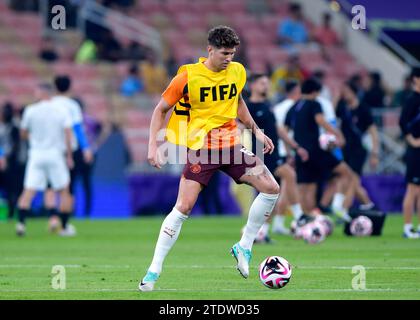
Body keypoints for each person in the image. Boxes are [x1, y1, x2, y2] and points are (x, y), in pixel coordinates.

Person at [139, 26, 280, 292]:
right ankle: (153, 271)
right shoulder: (187, 77)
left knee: (272, 189)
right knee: (183, 207)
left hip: (231, 146)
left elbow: (237, 102)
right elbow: (161, 110)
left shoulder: (238, 72)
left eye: (233, 53)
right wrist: (153, 146)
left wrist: (256, 132)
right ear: (210, 50)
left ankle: (244, 246)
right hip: (201, 149)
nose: (229, 58)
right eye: (224, 53)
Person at [246, 74, 311, 240]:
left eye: (267, 83)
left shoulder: (267, 105)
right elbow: (239, 127)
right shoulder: (248, 107)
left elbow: (278, 129)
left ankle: (262, 233)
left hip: (273, 152)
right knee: (289, 174)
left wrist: (294, 148)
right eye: (262, 83)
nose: (266, 86)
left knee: (270, 194)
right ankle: (299, 215)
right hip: (261, 153)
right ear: (252, 85)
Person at [284, 78, 352, 221]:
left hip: (300, 152)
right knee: (345, 172)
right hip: (315, 150)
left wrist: (289, 152)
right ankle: (337, 205)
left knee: (306, 187)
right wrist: (338, 134)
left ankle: (307, 220)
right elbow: (320, 120)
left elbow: (285, 130)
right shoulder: (315, 104)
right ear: (315, 92)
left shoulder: (294, 107)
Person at [15, 83, 73, 236]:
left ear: (42, 92)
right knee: (63, 190)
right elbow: (68, 133)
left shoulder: (30, 110)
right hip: (55, 154)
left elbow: (23, 133)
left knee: (28, 190)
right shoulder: (61, 110)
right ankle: (65, 227)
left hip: (36, 154)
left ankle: (21, 224)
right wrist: (69, 155)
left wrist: (34, 138)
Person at [45, 75, 94, 233]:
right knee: (68, 187)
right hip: (69, 151)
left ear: (55, 86)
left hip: (50, 149)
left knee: (51, 186)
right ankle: (65, 223)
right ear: (69, 87)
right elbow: (78, 129)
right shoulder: (72, 105)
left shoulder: (48, 104)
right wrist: (86, 148)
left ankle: (53, 218)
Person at [336, 81, 380, 211]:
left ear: (354, 93)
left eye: (347, 92)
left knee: (353, 180)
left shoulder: (363, 109)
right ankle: (369, 205)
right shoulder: (343, 108)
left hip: (359, 150)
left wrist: (374, 154)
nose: (345, 95)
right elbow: (331, 116)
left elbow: (373, 132)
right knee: (349, 180)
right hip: (345, 150)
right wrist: (337, 97)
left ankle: (343, 209)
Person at [399, 67, 420, 239]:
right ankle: (407, 227)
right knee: (412, 189)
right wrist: (412, 140)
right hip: (415, 151)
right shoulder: (412, 100)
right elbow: (402, 122)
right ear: (416, 79)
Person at [0, 102, 26, 220]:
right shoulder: (4, 127)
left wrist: (5, 158)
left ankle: (11, 213)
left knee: (12, 190)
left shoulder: (15, 127)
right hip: (7, 161)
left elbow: (15, 146)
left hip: (12, 163)